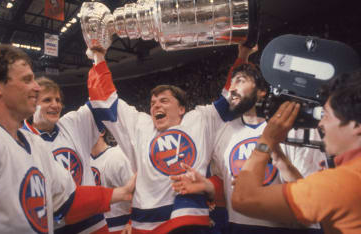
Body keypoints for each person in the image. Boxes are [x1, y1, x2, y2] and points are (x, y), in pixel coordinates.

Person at [0, 44, 134, 234]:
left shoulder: (34, 144)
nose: (36, 87)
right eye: (27, 80)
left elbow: (67, 200)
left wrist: (122, 192)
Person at [171, 45, 325, 233]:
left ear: (262, 91)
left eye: (241, 81)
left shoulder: (292, 129)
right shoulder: (224, 133)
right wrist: (207, 186)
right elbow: (225, 188)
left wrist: (276, 160)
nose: (233, 89)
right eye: (232, 83)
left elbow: (312, 196)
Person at [85, 45, 235, 233]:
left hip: (189, 218)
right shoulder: (140, 125)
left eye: (164, 101)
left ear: (181, 109)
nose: (156, 106)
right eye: (153, 103)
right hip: (146, 224)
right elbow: (105, 101)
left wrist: (243, 56)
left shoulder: (199, 120)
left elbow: (231, 98)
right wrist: (98, 57)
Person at [230, 69, 361, 234]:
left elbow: (243, 199)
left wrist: (266, 141)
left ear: (355, 125)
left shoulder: (343, 183)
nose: (320, 124)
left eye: (326, 115)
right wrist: (279, 159)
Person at [22, 76, 116, 234]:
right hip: (54, 227)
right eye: (47, 100)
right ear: (32, 104)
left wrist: (97, 58)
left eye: (58, 100)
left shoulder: (72, 123)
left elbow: (101, 99)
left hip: (93, 223)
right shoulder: (19, 139)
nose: (55, 105)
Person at [90, 129, 134, 234]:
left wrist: (131, 222)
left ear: (101, 132)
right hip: (95, 228)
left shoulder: (117, 156)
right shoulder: (83, 160)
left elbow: (138, 192)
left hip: (120, 227)